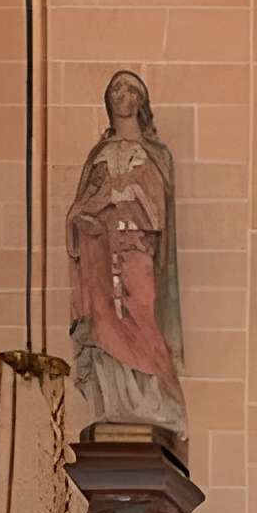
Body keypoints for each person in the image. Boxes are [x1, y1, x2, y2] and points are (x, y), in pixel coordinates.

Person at [66, 71, 187, 444]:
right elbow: (79, 210)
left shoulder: (156, 154)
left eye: (131, 90)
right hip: (100, 255)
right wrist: (84, 214)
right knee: (104, 320)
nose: (123, 96)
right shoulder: (98, 156)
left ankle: (153, 400)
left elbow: (159, 214)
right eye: (116, 89)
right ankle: (116, 399)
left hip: (136, 250)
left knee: (141, 314)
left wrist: (131, 192)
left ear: (141, 102)